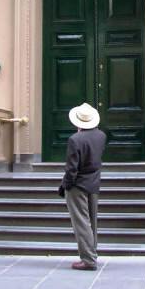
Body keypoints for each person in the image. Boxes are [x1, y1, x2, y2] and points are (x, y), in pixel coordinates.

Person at [58, 102, 106, 271]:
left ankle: (88, 259)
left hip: (78, 185)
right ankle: (92, 253)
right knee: (92, 221)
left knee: (81, 222)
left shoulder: (75, 139)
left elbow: (72, 168)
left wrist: (65, 185)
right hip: (94, 183)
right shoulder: (101, 136)